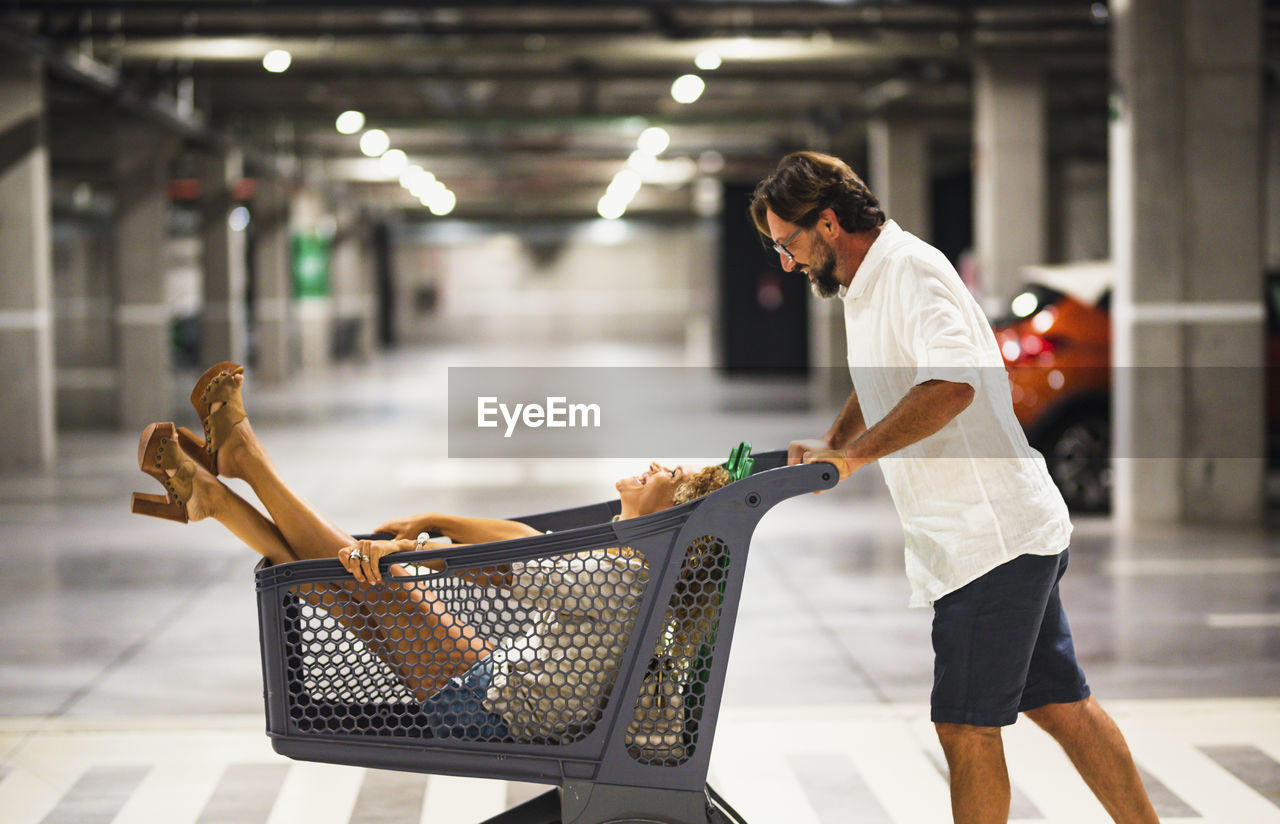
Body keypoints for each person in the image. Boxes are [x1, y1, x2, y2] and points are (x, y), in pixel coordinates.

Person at [749, 152, 1158, 824]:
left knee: (965, 727)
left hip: (988, 540)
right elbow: (886, 372)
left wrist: (855, 459)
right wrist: (836, 440)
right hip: (1001, 532)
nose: (788, 263)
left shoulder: (910, 269)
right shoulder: (864, 282)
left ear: (826, 222)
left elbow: (951, 385)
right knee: (1061, 705)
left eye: (789, 243)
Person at [131, 362, 731, 745]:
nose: (657, 465)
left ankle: (245, 463)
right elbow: (524, 544)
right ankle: (215, 497)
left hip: (489, 711)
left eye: (670, 475)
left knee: (373, 585)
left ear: (672, 514)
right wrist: (434, 524)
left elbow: (499, 569)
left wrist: (410, 550)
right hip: (502, 687)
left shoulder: (621, 575)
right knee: (354, 592)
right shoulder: (621, 561)